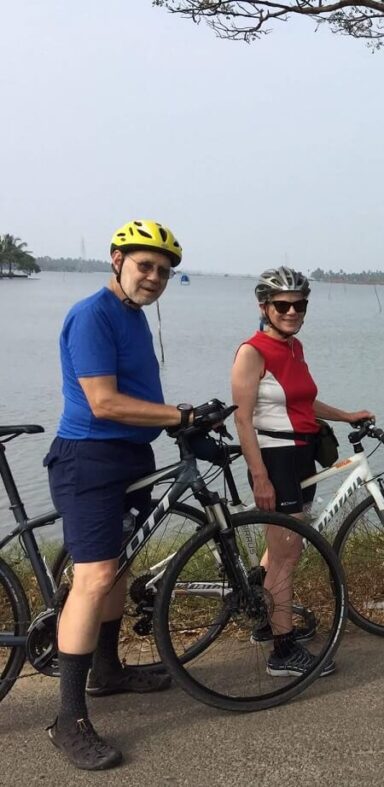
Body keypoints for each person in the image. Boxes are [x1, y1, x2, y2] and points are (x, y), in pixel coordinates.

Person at [44, 219, 192, 770]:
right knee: (95, 577)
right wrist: (180, 414)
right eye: (144, 265)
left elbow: (135, 395)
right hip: (89, 460)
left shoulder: (132, 317)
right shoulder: (92, 315)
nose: (153, 277)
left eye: (163, 271)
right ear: (116, 260)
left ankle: (107, 671)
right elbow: (103, 403)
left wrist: (179, 420)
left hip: (130, 457)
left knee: (120, 568)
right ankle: (67, 719)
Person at [231, 266, 372, 677]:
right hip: (275, 460)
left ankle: (263, 617)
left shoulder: (294, 348)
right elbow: (242, 421)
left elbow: (303, 402)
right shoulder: (251, 352)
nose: (292, 311)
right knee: (287, 555)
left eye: (299, 304)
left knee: (280, 547)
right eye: (283, 305)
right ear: (264, 307)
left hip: (300, 454)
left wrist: (346, 415)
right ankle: (282, 651)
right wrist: (259, 476)